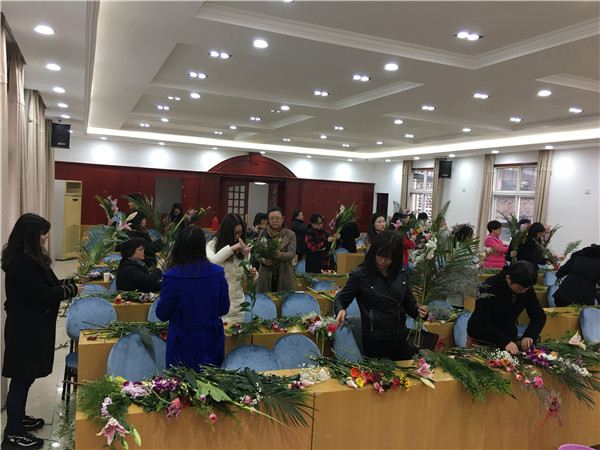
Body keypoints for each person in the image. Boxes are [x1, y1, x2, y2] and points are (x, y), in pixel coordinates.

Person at [2, 214, 83, 450]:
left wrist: (70, 282)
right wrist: (72, 290)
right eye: (42, 233)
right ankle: (12, 434)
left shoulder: (30, 258)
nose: (45, 237)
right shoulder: (22, 262)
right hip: (25, 330)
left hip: (31, 327)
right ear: (31, 235)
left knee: (25, 378)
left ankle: (18, 419)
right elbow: (43, 294)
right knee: (21, 379)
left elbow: (48, 284)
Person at [334, 231, 428, 360]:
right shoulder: (360, 275)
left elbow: (408, 303)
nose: (383, 261)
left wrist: (420, 312)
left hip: (400, 336)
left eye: (389, 258)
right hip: (375, 339)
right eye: (379, 255)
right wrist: (341, 309)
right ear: (373, 252)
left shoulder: (402, 272)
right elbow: (341, 299)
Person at [155, 226, 230, 368]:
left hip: (182, 343)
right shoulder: (218, 273)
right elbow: (224, 309)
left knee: (182, 381)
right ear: (202, 246)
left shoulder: (173, 277)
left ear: (179, 247)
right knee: (211, 380)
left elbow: (162, 314)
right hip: (211, 341)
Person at [467, 261, 546, 355]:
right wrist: (505, 341)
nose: (524, 292)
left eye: (527, 289)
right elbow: (481, 320)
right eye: (520, 288)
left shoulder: (526, 288)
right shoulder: (489, 286)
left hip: (508, 337)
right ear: (508, 278)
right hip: (482, 337)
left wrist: (529, 335)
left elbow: (539, 316)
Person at [207, 213, 258, 323]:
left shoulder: (242, 249)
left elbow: (246, 279)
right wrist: (232, 248)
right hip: (217, 307)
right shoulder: (212, 245)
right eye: (235, 233)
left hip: (237, 308)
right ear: (226, 232)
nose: (238, 236)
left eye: (240, 232)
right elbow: (213, 263)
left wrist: (252, 274)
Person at [256, 206, 296, 293]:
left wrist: (281, 255)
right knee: (265, 298)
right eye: (271, 218)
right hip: (266, 273)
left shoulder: (290, 234)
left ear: (283, 219)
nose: (274, 221)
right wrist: (263, 260)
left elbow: (291, 253)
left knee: (283, 298)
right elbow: (257, 253)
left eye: (277, 218)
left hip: (284, 272)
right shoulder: (263, 233)